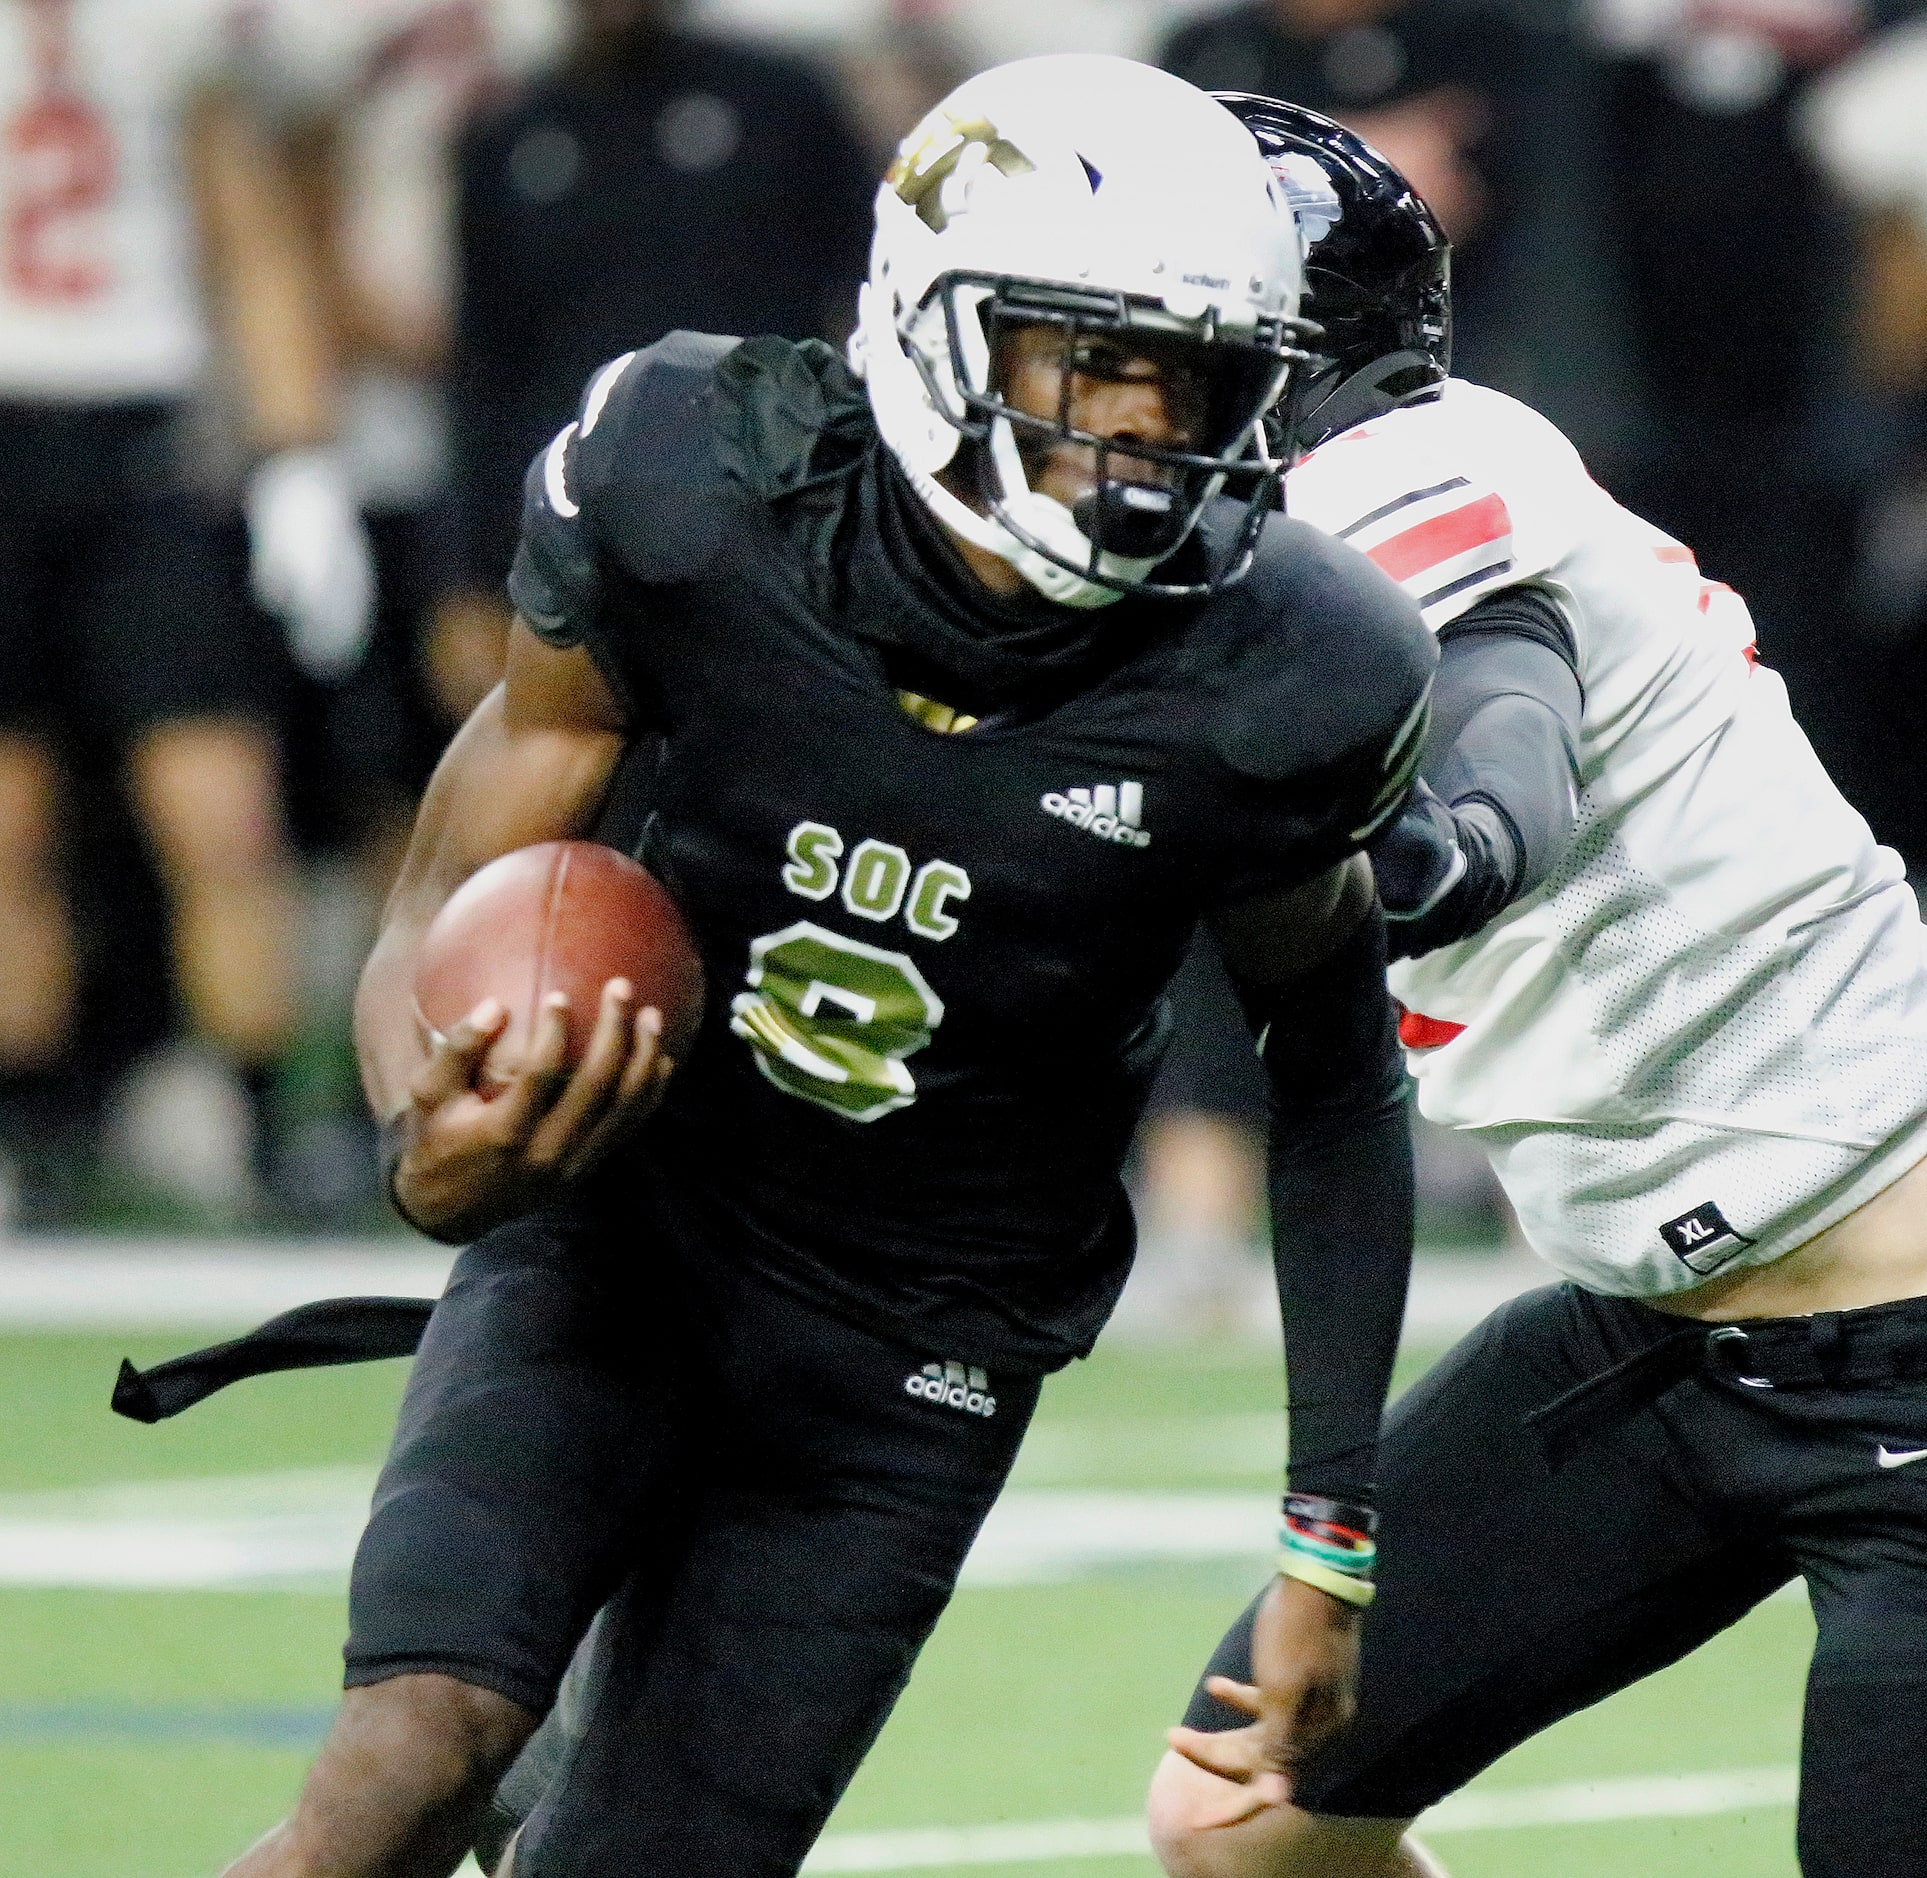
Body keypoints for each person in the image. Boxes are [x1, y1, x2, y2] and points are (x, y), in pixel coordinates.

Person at [206, 57, 1437, 1878]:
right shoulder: (696, 478)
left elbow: (1333, 1061)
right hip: (623, 1222)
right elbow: (453, 880)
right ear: (935, 329)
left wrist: (1328, 1524)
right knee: (410, 1757)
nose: (1148, 429)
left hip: (913, 1349)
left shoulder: (1285, 671)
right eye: (1092, 361)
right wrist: (429, 1137)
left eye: (1193, 378)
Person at [1146, 100, 1927, 1878]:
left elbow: (1507, 725)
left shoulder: (1410, 470)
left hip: (1905, 1320)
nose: (1100, 404)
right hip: (1652, 1335)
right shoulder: (1213, 569)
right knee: (1241, 1817)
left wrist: (1421, 859)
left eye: (1136, 350)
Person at [0, 0, 369, 1218]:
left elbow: (249, 232)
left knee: (221, 813)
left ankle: (272, 1126)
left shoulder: (165, 25)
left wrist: (298, 455)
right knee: (8, 828)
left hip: (145, 441)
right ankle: (37, 1136)